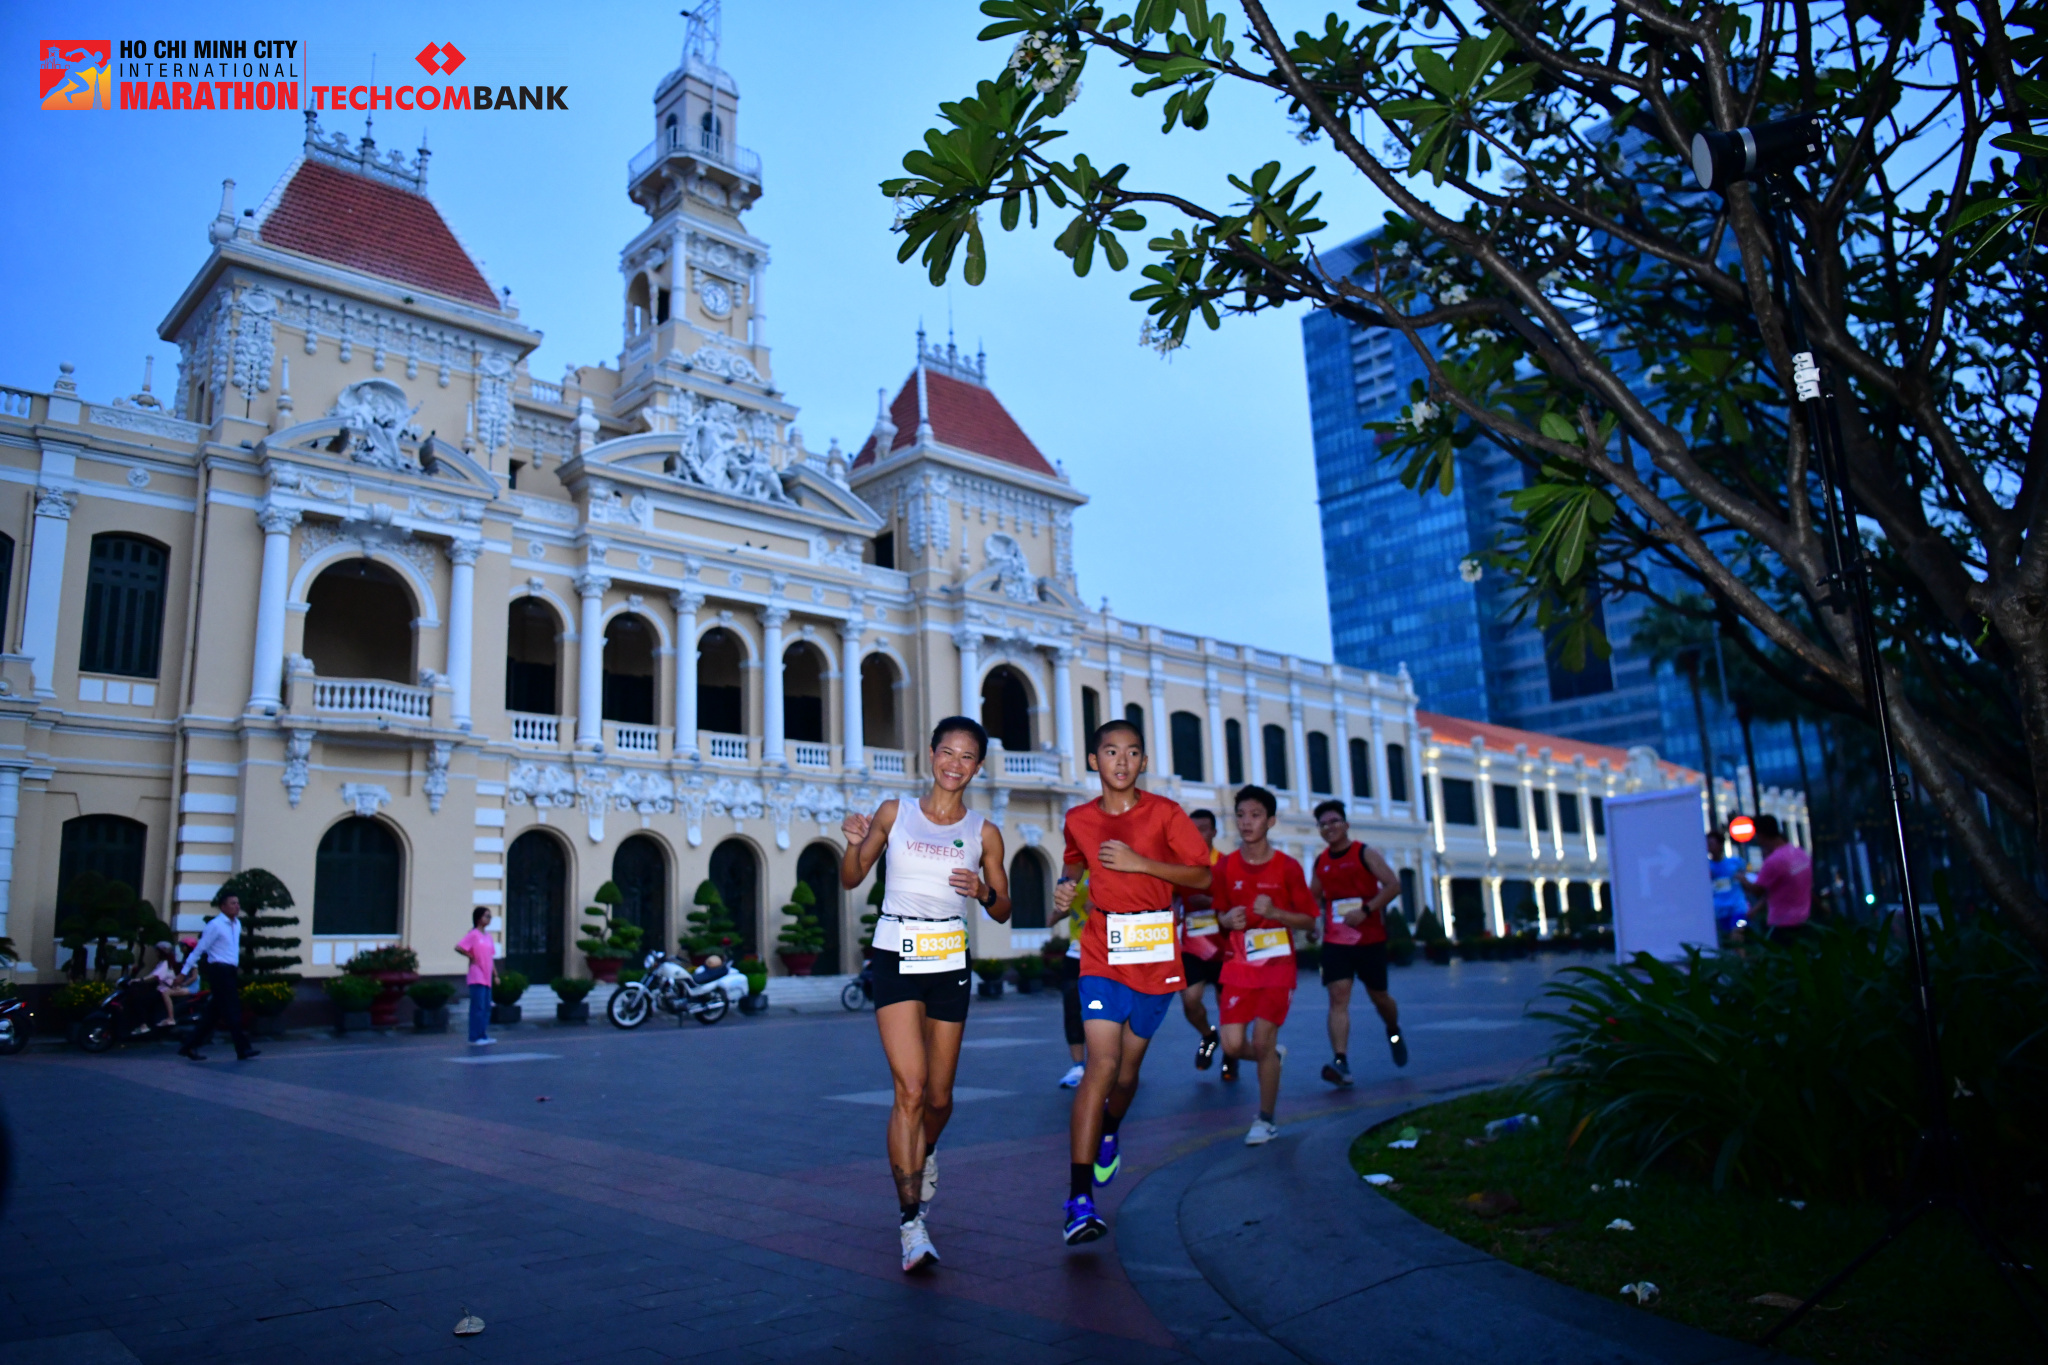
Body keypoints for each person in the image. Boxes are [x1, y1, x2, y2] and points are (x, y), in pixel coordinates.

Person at [841, 716, 1011, 1273]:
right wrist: (851, 844)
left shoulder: (985, 832)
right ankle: (911, 1223)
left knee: (939, 1099)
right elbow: (851, 877)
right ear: (931, 754)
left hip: (948, 960)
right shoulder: (897, 813)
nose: (954, 764)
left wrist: (984, 890)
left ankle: (926, 1150)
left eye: (967, 757)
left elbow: (1004, 907)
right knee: (909, 1091)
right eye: (947, 752)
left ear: (978, 767)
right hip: (895, 951)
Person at [1054, 719, 1211, 1245]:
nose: (1122, 761)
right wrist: (1064, 888)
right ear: (1094, 761)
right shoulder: (1077, 817)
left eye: (1133, 752)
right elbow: (1073, 862)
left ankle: (1110, 1132)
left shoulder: (1165, 813)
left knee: (1125, 1075)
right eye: (1111, 751)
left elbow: (1204, 875)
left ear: (1143, 762)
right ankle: (1079, 1200)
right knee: (1098, 1065)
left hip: (1155, 957)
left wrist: (1143, 862)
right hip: (1102, 952)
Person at [1215, 786, 1320, 1144]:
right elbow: (1218, 912)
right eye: (1241, 814)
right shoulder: (1226, 866)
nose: (1246, 822)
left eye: (1255, 815)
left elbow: (1309, 920)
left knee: (1260, 1040)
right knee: (1230, 1045)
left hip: (1277, 966)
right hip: (1238, 966)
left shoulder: (1287, 867)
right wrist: (1226, 919)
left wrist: (1275, 913)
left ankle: (1265, 1119)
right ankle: (1271, 1057)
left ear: (1271, 821)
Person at [1310, 800, 1406, 1087]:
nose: (1330, 827)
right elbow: (1314, 896)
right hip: (1336, 941)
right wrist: (1314, 923)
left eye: (1335, 821)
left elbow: (1393, 885)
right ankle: (1341, 1061)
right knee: (1338, 997)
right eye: (1324, 824)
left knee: (1380, 998)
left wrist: (1365, 910)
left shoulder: (1364, 853)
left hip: (1369, 939)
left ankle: (1393, 1029)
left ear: (1346, 824)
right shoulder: (1321, 861)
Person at [1175, 810, 1229, 1078]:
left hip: (1225, 948)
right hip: (1192, 948)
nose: (1197, 834)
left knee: (1228, 1006)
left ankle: (1232, 1055)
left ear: (1214, 832)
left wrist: (1211, 903)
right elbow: (1170, 899)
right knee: (1190, 1002)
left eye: (1203, 828)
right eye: (1192, 829)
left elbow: (1238, 902)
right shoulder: (1181, 867)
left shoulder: (1227, 865)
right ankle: (1208, 1035)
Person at [179, 893, 257, 1061]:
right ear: (223, 906)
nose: (237, 906)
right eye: (232, 903)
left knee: (213, 1013)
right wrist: (183, 972)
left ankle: (189, 1045)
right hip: (219, 971)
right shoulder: (215, 925)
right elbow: (199, 950)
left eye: (238, 903)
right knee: (233, 1009)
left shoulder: (237, 924)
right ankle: (243, 1048)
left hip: (230, 971)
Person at [1742, 815, 1812, 939]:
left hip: (1782, 924)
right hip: (1804, 919)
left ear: (1761, 835)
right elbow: (1777, 891)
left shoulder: (1774, 861)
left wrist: (1742, 880)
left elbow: (1758, 890)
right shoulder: (1799, 853)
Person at [1041, 930, 1086, 1088]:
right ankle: (1078, 1067)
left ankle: (1114, 1067)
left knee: (1101, 1014)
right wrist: (1063, 907)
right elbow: (1051, 920)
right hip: (1077, 955)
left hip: (1107, 954)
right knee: (1072, 1012)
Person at [455, 907, 497, 1046]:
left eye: (490, 916)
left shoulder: (488, 936)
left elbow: (491, 957)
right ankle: (474, 1036)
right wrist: (471, 956)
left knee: (486, 1007)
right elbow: (459, 947)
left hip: (487, 976)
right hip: (477, 975)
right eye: (486, 916)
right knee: (477, 1007)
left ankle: (483, 1035)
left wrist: (495, 975)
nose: (489, 919)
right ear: (479, 918)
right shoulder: (473, 934)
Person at [1707, 832, 1748, 939]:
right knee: (1727, 940)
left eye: (1711, 843)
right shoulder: (1706, 866)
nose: (1709, 846)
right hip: (1720, 912)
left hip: (1739, 910)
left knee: (1738, 934)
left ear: (1721, 845)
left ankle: (1741, 955)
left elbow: (1746, 882)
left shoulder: (1736, 862)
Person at [145, 940, 192, 1029]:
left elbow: (156, 975)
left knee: (148, 999)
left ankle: (170, 1018)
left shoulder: (166, 963)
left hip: (166, 988)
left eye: (157, 951)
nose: (155, 953)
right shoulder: (164, 962)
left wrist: (141, 979)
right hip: (164, 987)